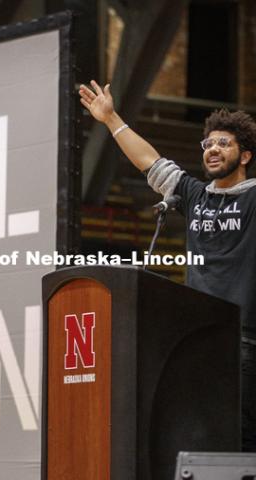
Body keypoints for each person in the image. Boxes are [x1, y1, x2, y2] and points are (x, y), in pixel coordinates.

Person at [79, 80, 256, 452]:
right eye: (208, 143)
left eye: (224, 143)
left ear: (244, 156)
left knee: (241, 441)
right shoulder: (192, 194)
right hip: (197, 337)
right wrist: (111, 120)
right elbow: (149, 161)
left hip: (243, 339)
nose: (212, 149)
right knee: (200, 439)